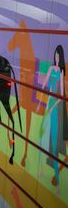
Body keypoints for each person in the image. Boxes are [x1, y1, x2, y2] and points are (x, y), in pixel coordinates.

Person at [37, 45, 67, 190]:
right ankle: (41, 169)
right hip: (48, 105)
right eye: (55, 55)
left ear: (60, 58)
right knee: (41, 136)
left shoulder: (61, 72)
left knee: (54, 140)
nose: (56, 58)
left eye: (58, 56)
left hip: (54, 109)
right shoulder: (50, 69)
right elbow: (44, 86)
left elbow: (61, 96)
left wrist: (53, 108)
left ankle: (55, 172)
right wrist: (40, 104)